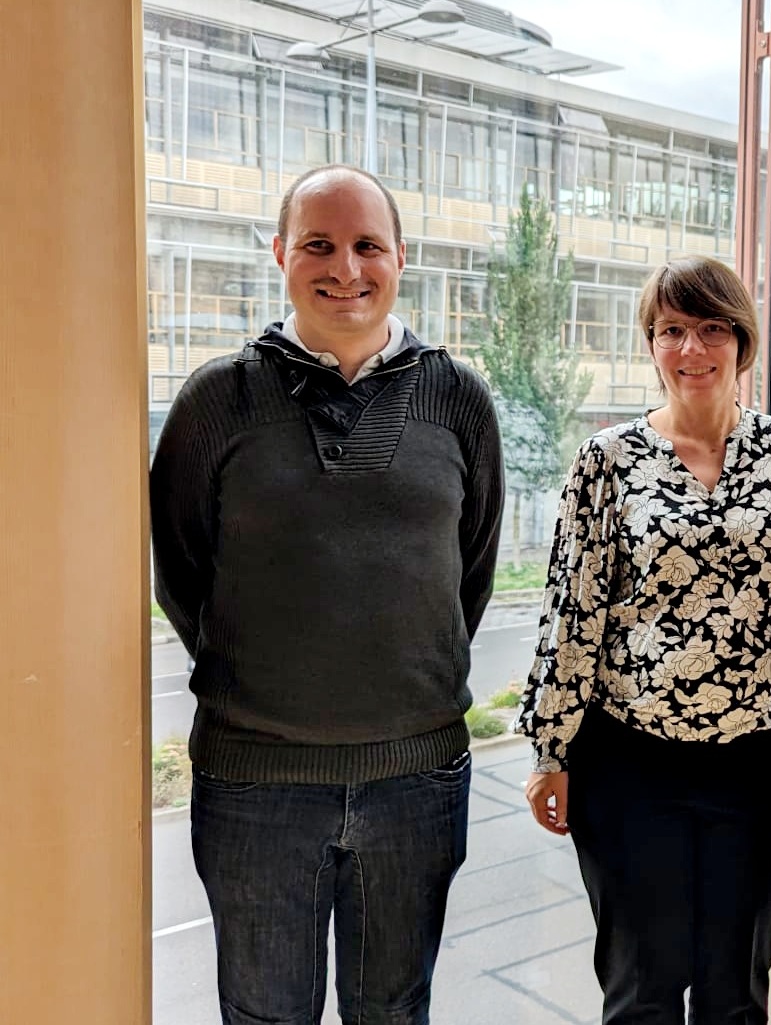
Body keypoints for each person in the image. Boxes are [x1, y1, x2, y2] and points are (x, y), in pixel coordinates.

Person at [149, 164, 503, 1025]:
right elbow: (183, 574)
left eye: (366, 245)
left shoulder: (458, 399)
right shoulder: (215, 402)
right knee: (265, 1015)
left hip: (416, 781)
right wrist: (267, 676)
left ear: (399, 259)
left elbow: (471, 571)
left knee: (394, 1011)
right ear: (280, 254)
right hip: (255, 786)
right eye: (319, 244)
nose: (345, 267)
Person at [517, 255, 771, 1025]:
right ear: (651, 344)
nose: (691, 349)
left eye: (711, 329)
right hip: (631, 764)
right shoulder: (609, 458)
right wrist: (550, 749)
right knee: (641, 992)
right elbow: (573, 606)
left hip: (761, 764)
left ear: (742, 341)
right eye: (670, 331)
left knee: (736, 996)